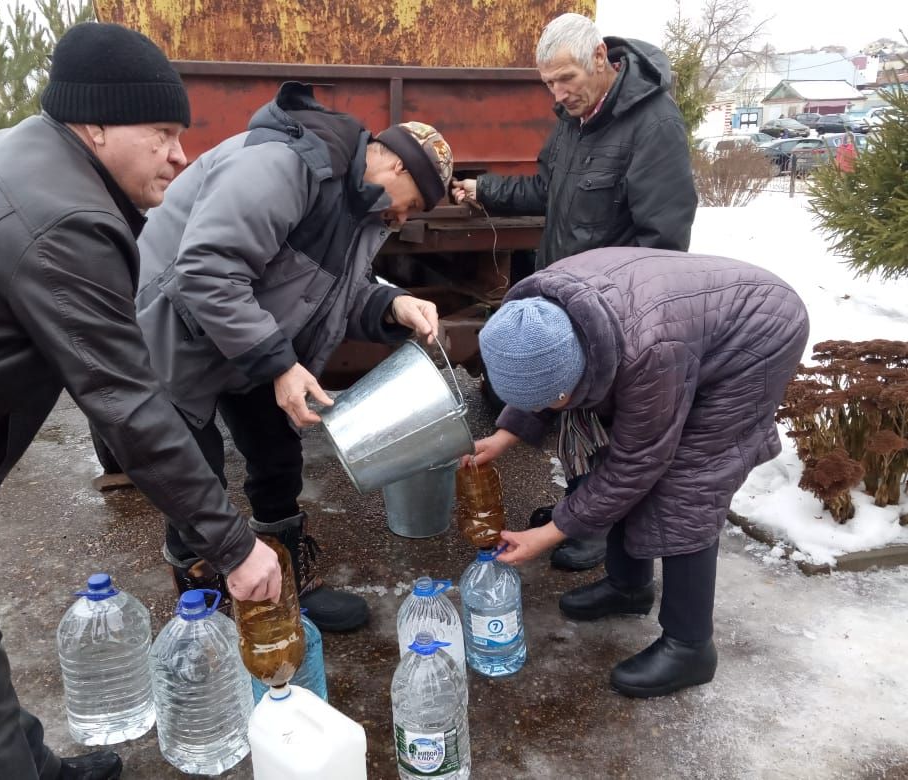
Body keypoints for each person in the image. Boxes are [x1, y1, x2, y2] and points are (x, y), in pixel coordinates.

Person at [0, 22, 282, 779]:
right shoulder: (62, 219)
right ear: (94, 125)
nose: (179, 154)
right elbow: (126, 406)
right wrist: (233, 545)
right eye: (162, 132)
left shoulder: (22, 165)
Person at [135, 81, 453, 633]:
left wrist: (392, 303)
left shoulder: (356, 210)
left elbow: (327, 294)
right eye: (415, 204)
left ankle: (285, 576)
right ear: (399, 169)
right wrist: (281, 365)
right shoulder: (286, 163)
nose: (406, 219)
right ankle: (203, 603)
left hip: (246, 333)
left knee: (278, 454)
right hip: (172, 326)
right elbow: (207, 272)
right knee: (193, 476)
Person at [468, 246, 809, 698]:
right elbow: (540, 378)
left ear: (578, 370)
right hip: (684, 321)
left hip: (756, 335)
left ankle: (690, 646)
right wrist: (506, 433)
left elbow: (638, 462)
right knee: (612, 453)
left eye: (552, 400)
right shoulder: (538, 318)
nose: (548, 410)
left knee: (688, 484)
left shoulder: (646, 354)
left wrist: (552, 531)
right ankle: (629, 588)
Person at [451, 12, 697, 572]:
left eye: (567, 80)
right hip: (567, 302)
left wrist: (630, 318)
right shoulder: (573, 122)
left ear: (602, 60)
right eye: (549, 85)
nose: (559, 95)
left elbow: (664, 242)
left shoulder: (652, 124)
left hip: (615, 312)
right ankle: (588, 521)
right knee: (577, 422)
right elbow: (546, 189)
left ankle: (599, 534)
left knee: (612, 433)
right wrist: (484, 187)